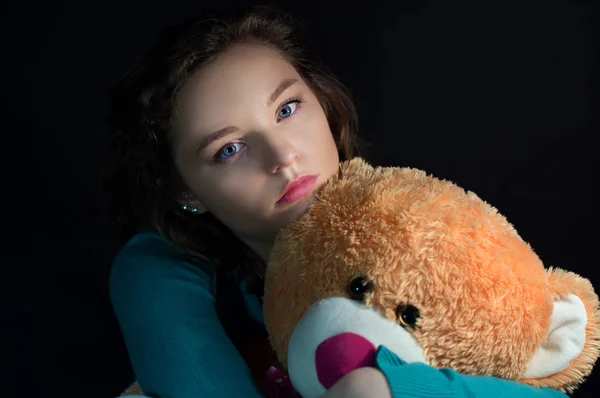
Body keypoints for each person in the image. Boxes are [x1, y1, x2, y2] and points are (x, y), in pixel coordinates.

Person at [104, 5, 568, 398]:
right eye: (229, 149)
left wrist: (388, 387)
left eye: (287, 109)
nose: (283, 156)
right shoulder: (160, 264)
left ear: (323, 104)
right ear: (184, 191)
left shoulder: (417, 222)